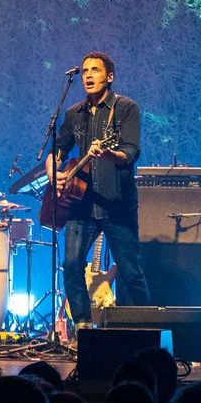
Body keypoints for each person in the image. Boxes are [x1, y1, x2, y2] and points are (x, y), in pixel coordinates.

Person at [49, 51, 149, 329]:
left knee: (131, 272)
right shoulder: (72, 114)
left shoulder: (126, 108)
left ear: (110, 77)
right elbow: (57, 150)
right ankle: (82, 325)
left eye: (95, 70)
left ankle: (142, 328)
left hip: (118, 204)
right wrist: (54, 172)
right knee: (71, 265)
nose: (89, 75)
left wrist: (107, 154)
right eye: (84, 71)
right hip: (81, 205)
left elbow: (130, 152)